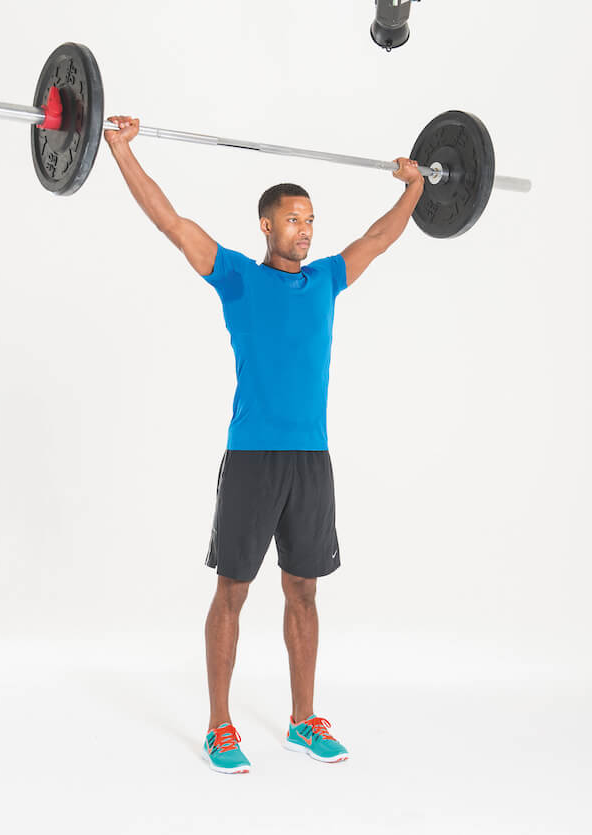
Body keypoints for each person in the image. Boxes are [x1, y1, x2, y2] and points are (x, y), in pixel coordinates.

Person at [104, 115, 424, 775]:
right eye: (292, 219)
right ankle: (219, 726)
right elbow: (169, 221)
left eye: (310, 219)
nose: (305, 229)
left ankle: (303, 720)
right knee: (233, 590)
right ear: (265, 225)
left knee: (303, 589)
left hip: (311, 459)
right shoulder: (237, 279)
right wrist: (118, 149)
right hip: (252, 458)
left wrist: (415, 188)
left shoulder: (328, 280)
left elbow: (381, 237)